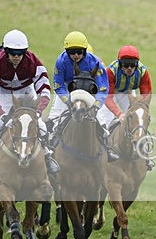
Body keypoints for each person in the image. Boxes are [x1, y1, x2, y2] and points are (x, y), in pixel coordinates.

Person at [0, 30, 59, 177]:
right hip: (3, 92)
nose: (17, 57)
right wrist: (1, 114)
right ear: (6, 52)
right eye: (13, 53)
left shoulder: (33, 62)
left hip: (25, 91)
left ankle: (48, 156)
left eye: (20, 53)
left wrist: (38, 111)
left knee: (41, 126)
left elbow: (44, 89)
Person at [47, 30, 118, 162]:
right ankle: (50, 151)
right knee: (54, 118)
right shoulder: (60, 61)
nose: (76, 55)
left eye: (79, 52)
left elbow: (103, 87)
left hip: (88, 92)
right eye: (72, 52)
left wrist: (96, 105)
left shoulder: (95, 62)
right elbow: (58, 84)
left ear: (85, 51)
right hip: (68, 89)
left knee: (101, 120)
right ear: (67, 51)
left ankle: (107, 149)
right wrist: (67, 101)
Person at [99, 45, 152, 127]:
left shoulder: (143, 72)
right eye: (126, 65)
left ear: (137, 64)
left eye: (133, 64)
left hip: (128, 92)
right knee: (106, 119)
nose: (129, 68)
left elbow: (146, 97)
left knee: (135, 117)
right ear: (120, 64)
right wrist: (119, 114)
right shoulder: (111, 71)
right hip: (111, 93)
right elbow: (108, 98)